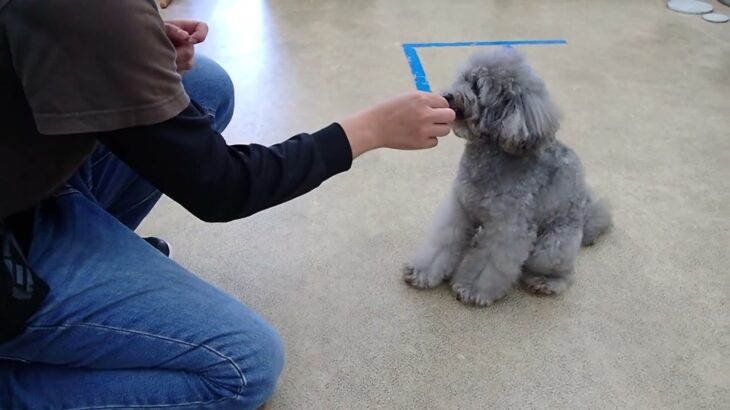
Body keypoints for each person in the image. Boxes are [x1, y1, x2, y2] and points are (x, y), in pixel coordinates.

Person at [0, 1, 454, 408]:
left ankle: (99, 249)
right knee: (244, 367)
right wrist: (369, 131)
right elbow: (223, 188)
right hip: (11, 247)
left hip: (27, 182)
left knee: (204, 85)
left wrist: (130, 49)